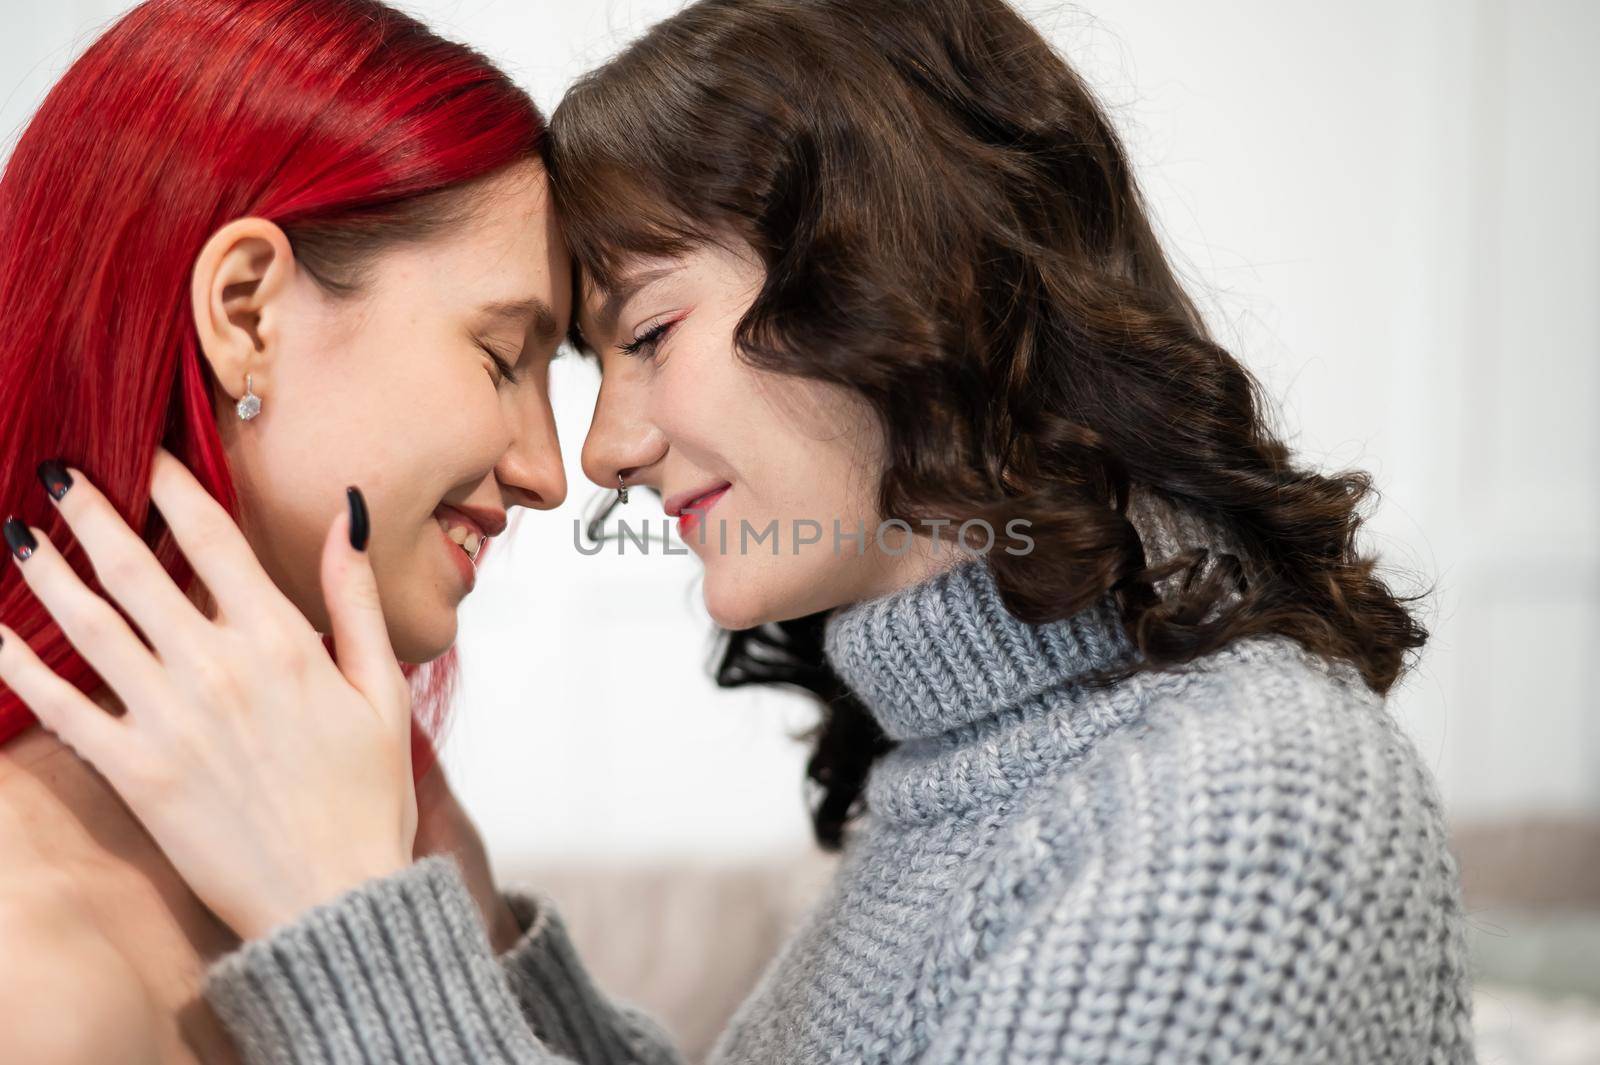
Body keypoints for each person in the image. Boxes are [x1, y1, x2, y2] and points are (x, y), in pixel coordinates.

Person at [0, 0, 1479, 1062]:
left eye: (638, 335)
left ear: (887, 283)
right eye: (520, 355)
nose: (590, 457)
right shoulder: (967, 787)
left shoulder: (1249, 804)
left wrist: (362, 938)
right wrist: (464, 928)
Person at [0, 0, 568, 1060]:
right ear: (249, 311)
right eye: (501, 358)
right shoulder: (36, 979)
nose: (548, 473)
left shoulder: (400, 834)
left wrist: (439, 934)